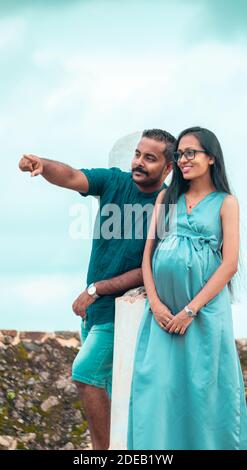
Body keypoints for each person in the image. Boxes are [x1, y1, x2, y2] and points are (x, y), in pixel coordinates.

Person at [18, 128, 176, 450]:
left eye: (150, 158)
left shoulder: (170, 207)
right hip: (93, 312)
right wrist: (43, 165)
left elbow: (151, 269)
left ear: (168, 167)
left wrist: (97, 289)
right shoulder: (115, 181)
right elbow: (74, 176)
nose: (139, 162)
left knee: (85, 374)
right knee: (107, 387)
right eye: (137, 154)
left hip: (122, 313)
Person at [127, 126, 247, 450]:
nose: (182, 159)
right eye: (179, 154)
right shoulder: (168, 197)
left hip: (204, 316)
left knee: (204, 395)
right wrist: (156, 305)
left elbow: (230, 264)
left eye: (190, 153)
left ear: (211, 158)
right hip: (162, 318)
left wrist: (190, 311)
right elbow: (147, 257)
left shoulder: (226, 203)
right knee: (156, 390)